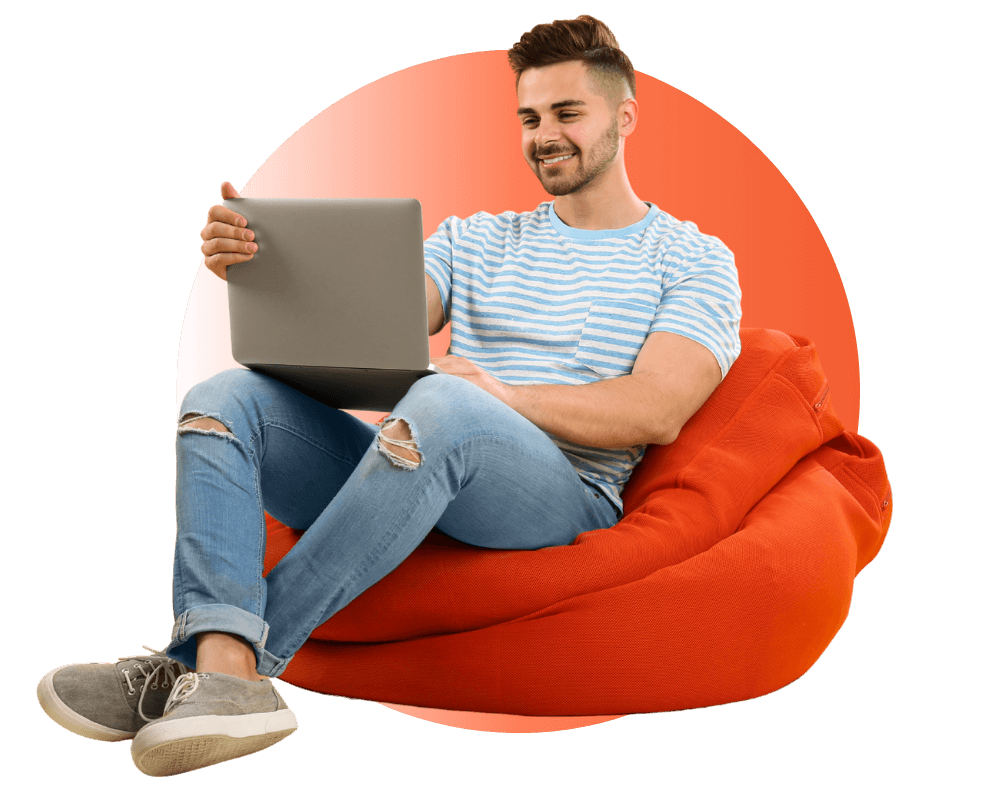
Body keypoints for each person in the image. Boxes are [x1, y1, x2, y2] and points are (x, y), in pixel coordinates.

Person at [37, 15, 740, 773]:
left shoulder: (691, 258)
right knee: (224, 398)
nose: (546, 135)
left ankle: (209, 670)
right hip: (424, 455)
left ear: (625, 117)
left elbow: (656, 410)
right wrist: (262, 269)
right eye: (530, 117)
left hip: (561, 494)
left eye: (569, 113)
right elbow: (371, 322)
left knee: (444, 403)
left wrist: (497, 394)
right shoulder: (475, 238)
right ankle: (219, 670)